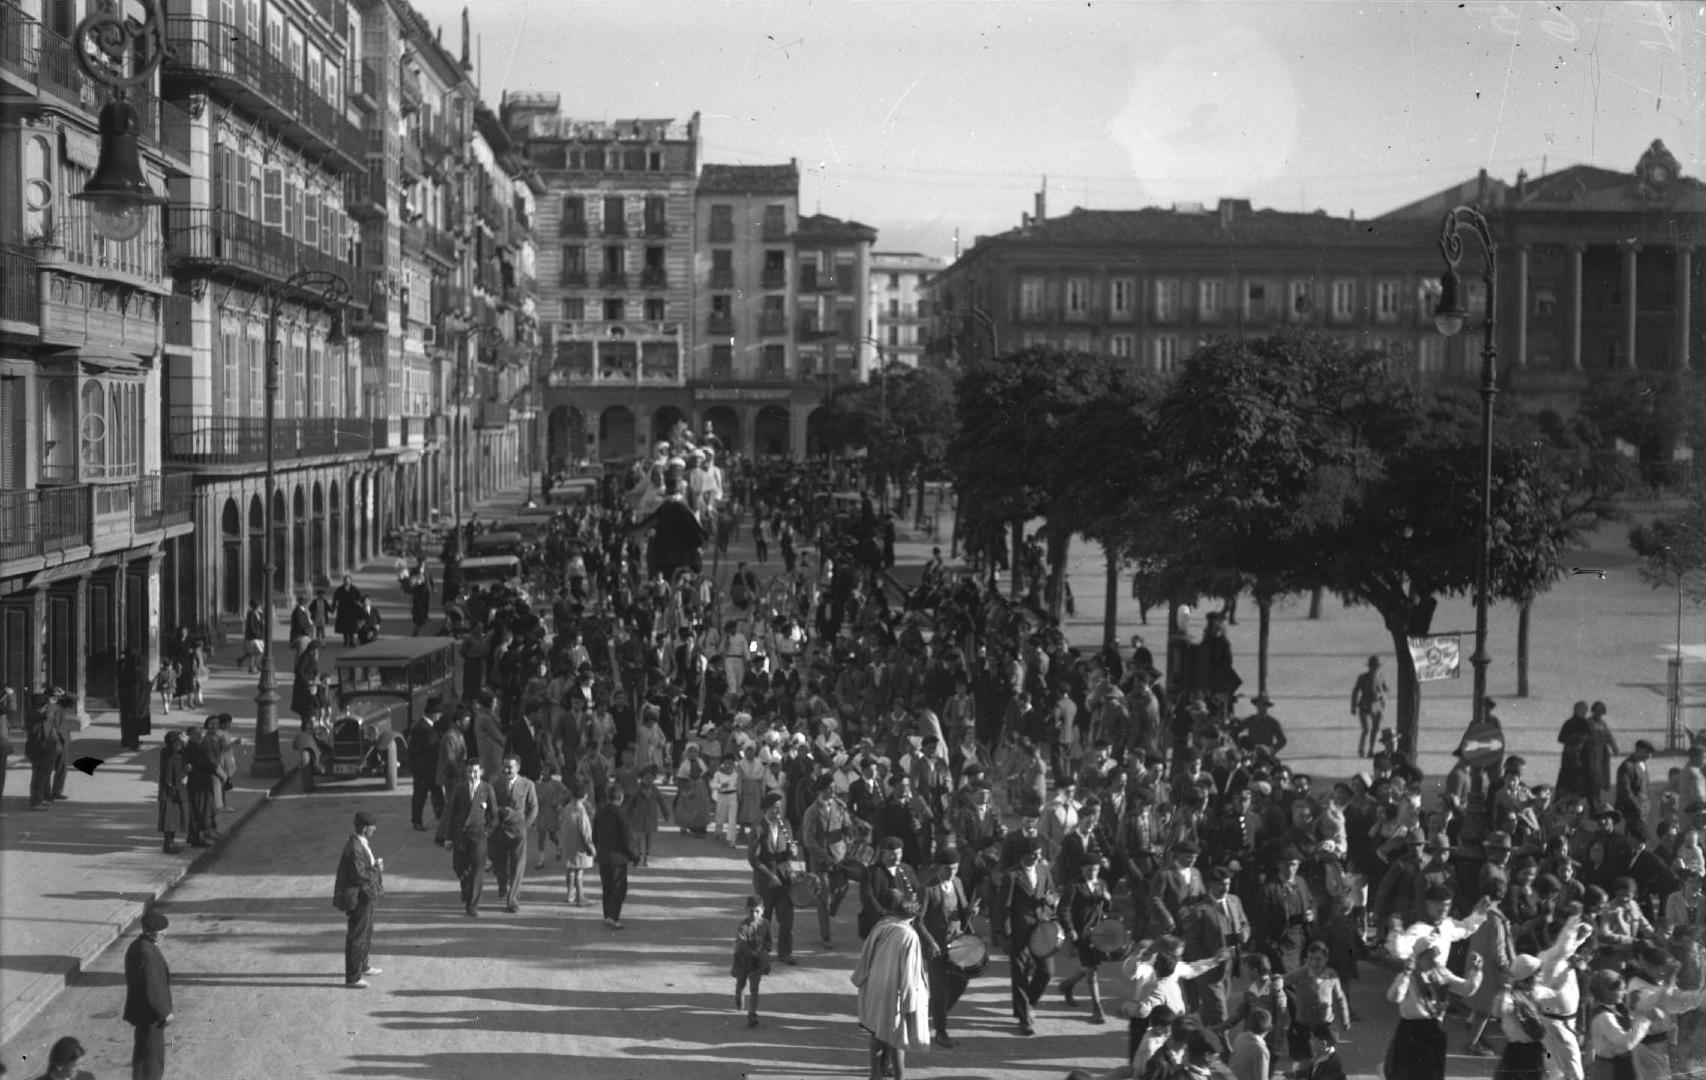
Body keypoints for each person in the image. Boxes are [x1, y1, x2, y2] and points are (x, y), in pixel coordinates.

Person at [851, 895, 932, 1080]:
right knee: (897, 1037)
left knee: (876, 1032)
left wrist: (863, 981)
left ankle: (875, 1074)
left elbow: (865, 957)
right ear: (913, 916)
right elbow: (909, 973)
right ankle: (900, 1076)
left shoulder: (881, 926)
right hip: (895, 992)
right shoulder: (909, 935)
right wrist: (909, 1002)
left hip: (874, 986)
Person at [1383, 942, 1484, 1080]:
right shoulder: (1409, 976)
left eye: (1433, 956)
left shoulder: (1441, 973)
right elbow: (1394, 997)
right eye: (1428, 957)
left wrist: (1476, 971)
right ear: (1418, 958)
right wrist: (1405, 975)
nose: (1433, 960)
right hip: (1410, 1030)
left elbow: (1466, 989)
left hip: (1434, 1029)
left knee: (1432, 1074)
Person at [1005, 835, 1062, 1036]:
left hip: (1040, 930)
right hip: (1019, 931)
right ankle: (1023, 1019)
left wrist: (1051, 900)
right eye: (1033, 855)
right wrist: (1005, 936)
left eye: (1039, 855)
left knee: (1047, 971)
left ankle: (1028, 1004)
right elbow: (1002, 908)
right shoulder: (1011, 876)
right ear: (1024, 856)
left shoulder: (1043, 869)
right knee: (1020, 975)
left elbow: (1053, 893)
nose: (1037, 858)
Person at [921, 846, 972, 1047]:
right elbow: (918, 921)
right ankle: (941, 1031)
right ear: (938, 867)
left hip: (957, 943)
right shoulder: (927, 888)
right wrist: (930, 942)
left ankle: (937, 1009)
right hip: (936, 947)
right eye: (947, 869)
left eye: (954, 868)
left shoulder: (957, 882)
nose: (951, 873)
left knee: (962, 981)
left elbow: (962, 910)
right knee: (940, 988)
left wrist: (970, 912)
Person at [802, 773, 854, 949]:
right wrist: (825, 857)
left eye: (834, 788)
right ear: (822, 790)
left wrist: (851, 836)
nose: (833, 791)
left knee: (843, 887)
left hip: (839, 856)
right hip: (821, 860)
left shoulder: (839, 806)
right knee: (823, 898)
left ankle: (830, 908)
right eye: (830, 789)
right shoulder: (812, 811)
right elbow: (809, 840)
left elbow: (847, 827)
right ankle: (826, 935)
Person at [334, 810, 384, 989]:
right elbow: (358, 875)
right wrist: (376, 869)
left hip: (366, 895)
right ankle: (353, 977)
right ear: (364, 828)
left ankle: (363, 965)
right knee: (357, 935)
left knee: (366, 932)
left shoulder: (360, 843)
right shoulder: (354, 846)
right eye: (372, 828)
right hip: (359, 896)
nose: (374, 830)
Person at [749, 791, 799, 966]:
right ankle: (763, 951)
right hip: (765, 881)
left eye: (780, 808)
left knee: (787, 917)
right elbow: (753, 859)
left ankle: (785, 952)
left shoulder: (786, 824)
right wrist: (770, 876)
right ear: (766, 809)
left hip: (784, 878)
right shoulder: (758, 828)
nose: (778, 812)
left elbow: (787, 853)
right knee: (765, 918)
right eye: (775, 809)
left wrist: (793, 853)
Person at [123, 910, 173, 1080]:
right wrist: (165, 1013)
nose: (165, 934)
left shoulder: (138, 946)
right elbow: (153, 988)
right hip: (150, 1016)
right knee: (152, 1060)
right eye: (162, 932)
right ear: (151, 933)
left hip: (141, 1014)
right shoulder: (147, 953)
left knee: (143, 1055)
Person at [445, 759, 495, 917]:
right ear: (465, 772)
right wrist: (448, 837)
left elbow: (494, 815)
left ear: (481, 772)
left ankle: (472, 905)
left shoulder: (487, 789)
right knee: (458, 866)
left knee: (478, 870)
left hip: (479, 835)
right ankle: (465, 886)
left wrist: (487, 831)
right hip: (461, 835)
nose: (472, 774)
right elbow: (451, 813)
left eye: (475, 771)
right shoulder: (459, 789)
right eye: (469, 771)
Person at [492, 755, 539, 912]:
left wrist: (525, 825)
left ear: (518, 768)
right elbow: (491, 804)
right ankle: (502, 882)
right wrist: (499, 812)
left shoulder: (527, 785)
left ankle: (512, 900)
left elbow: (533, 807)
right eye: (504, 767)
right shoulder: (496, 783)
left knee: (517, 865)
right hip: (500, 829)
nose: (506, 770)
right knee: (498, 864)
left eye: (510, 767)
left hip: (518, 831)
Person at [593, 784, 636, 928]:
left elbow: (594, 835)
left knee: (607, 887)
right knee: (619, 888)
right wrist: (634, 855)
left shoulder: (600, 812)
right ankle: (614, 917)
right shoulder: (621, 813)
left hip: (604, 856)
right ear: (621, 798)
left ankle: (607, 916)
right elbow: (627, 837)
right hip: (618, 858)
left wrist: (598, 849)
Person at [731, 894, 773, 1030]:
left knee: (754, 989)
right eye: (751, 911)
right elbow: (741, 943)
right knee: (741, 983)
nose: (754, 915)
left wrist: (765, 951)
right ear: (746, 910)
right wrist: (752, 952)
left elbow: (768, 941)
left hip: (757, 962)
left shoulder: (766, 924)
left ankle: (752, 1014)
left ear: (763, 910)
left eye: (757, 911)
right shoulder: (743, 926)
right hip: (744, 960)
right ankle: (739, 994)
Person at [560, 781, 596, 906]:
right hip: (579, 846)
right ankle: (580, 898)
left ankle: (570, 895)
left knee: (570, 870)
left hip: (568, 843)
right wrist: (590, 847)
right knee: (579, 872)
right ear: (585, 796)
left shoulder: (567, 808)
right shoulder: (581, 811)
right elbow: (585, 832)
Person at [1351, 655, 1388, 759]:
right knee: (1366, 728)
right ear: (1369, 667)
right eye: (1373, 666)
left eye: (1377, 666)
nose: (1375, 668)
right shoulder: (1362, 677)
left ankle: (1371, 750)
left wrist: (1383, 700)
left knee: (1375, 729)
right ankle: (1361, 750)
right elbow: (1355, 691)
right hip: (1365, 704)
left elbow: (1384, 689)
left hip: (1377, 705)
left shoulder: (1381, 676)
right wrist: (1353, 706)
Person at [155, 732, 186, 854]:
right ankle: (168, 845)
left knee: (172, 818)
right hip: (170, 792)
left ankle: (170, 843)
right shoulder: (170, 754)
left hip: (171, 791)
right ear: (173, 743)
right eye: (178, 741)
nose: (180, 744)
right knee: (169, 819)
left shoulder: (167, 752)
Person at [29, 1035, 94, 1080]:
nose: (81, 1069)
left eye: (82, 1064)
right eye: (75, 1066)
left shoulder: (87, 1078)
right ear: (60, 1066)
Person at [242, 598, 265, 674]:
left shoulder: (259, 614)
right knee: (257, 652)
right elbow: (251, 626)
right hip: (253, 637)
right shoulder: (251, 614)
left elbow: (261, 624)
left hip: (258, 637)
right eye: (258, 606)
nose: (260, 607)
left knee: (257, 652)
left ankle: (255, 666)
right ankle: (253, 667)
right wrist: (257, 634)